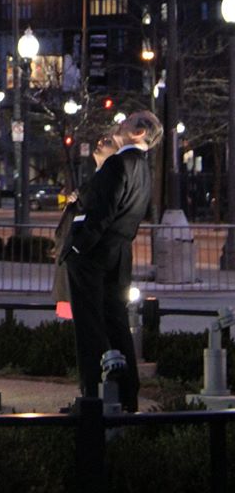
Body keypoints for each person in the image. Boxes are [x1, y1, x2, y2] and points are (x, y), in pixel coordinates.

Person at [59, 110, 163, 411]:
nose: (121, 122)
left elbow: (102, 213)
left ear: (139, 132)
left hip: (94, 255)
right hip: (119, 254)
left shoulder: (118, 164)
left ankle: (92, 397)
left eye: (129, 120)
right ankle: (125, 395)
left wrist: (78, 248)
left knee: (90, 326)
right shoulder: (142, 168)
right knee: (116, 323)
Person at [52, 132, 118, 319]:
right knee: (73, 326)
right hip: (71, 265)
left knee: (83, 329)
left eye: (107, 142)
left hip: (80, 267)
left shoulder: (106, 183)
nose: (100, 143)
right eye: (101, 139)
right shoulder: (94, 181)